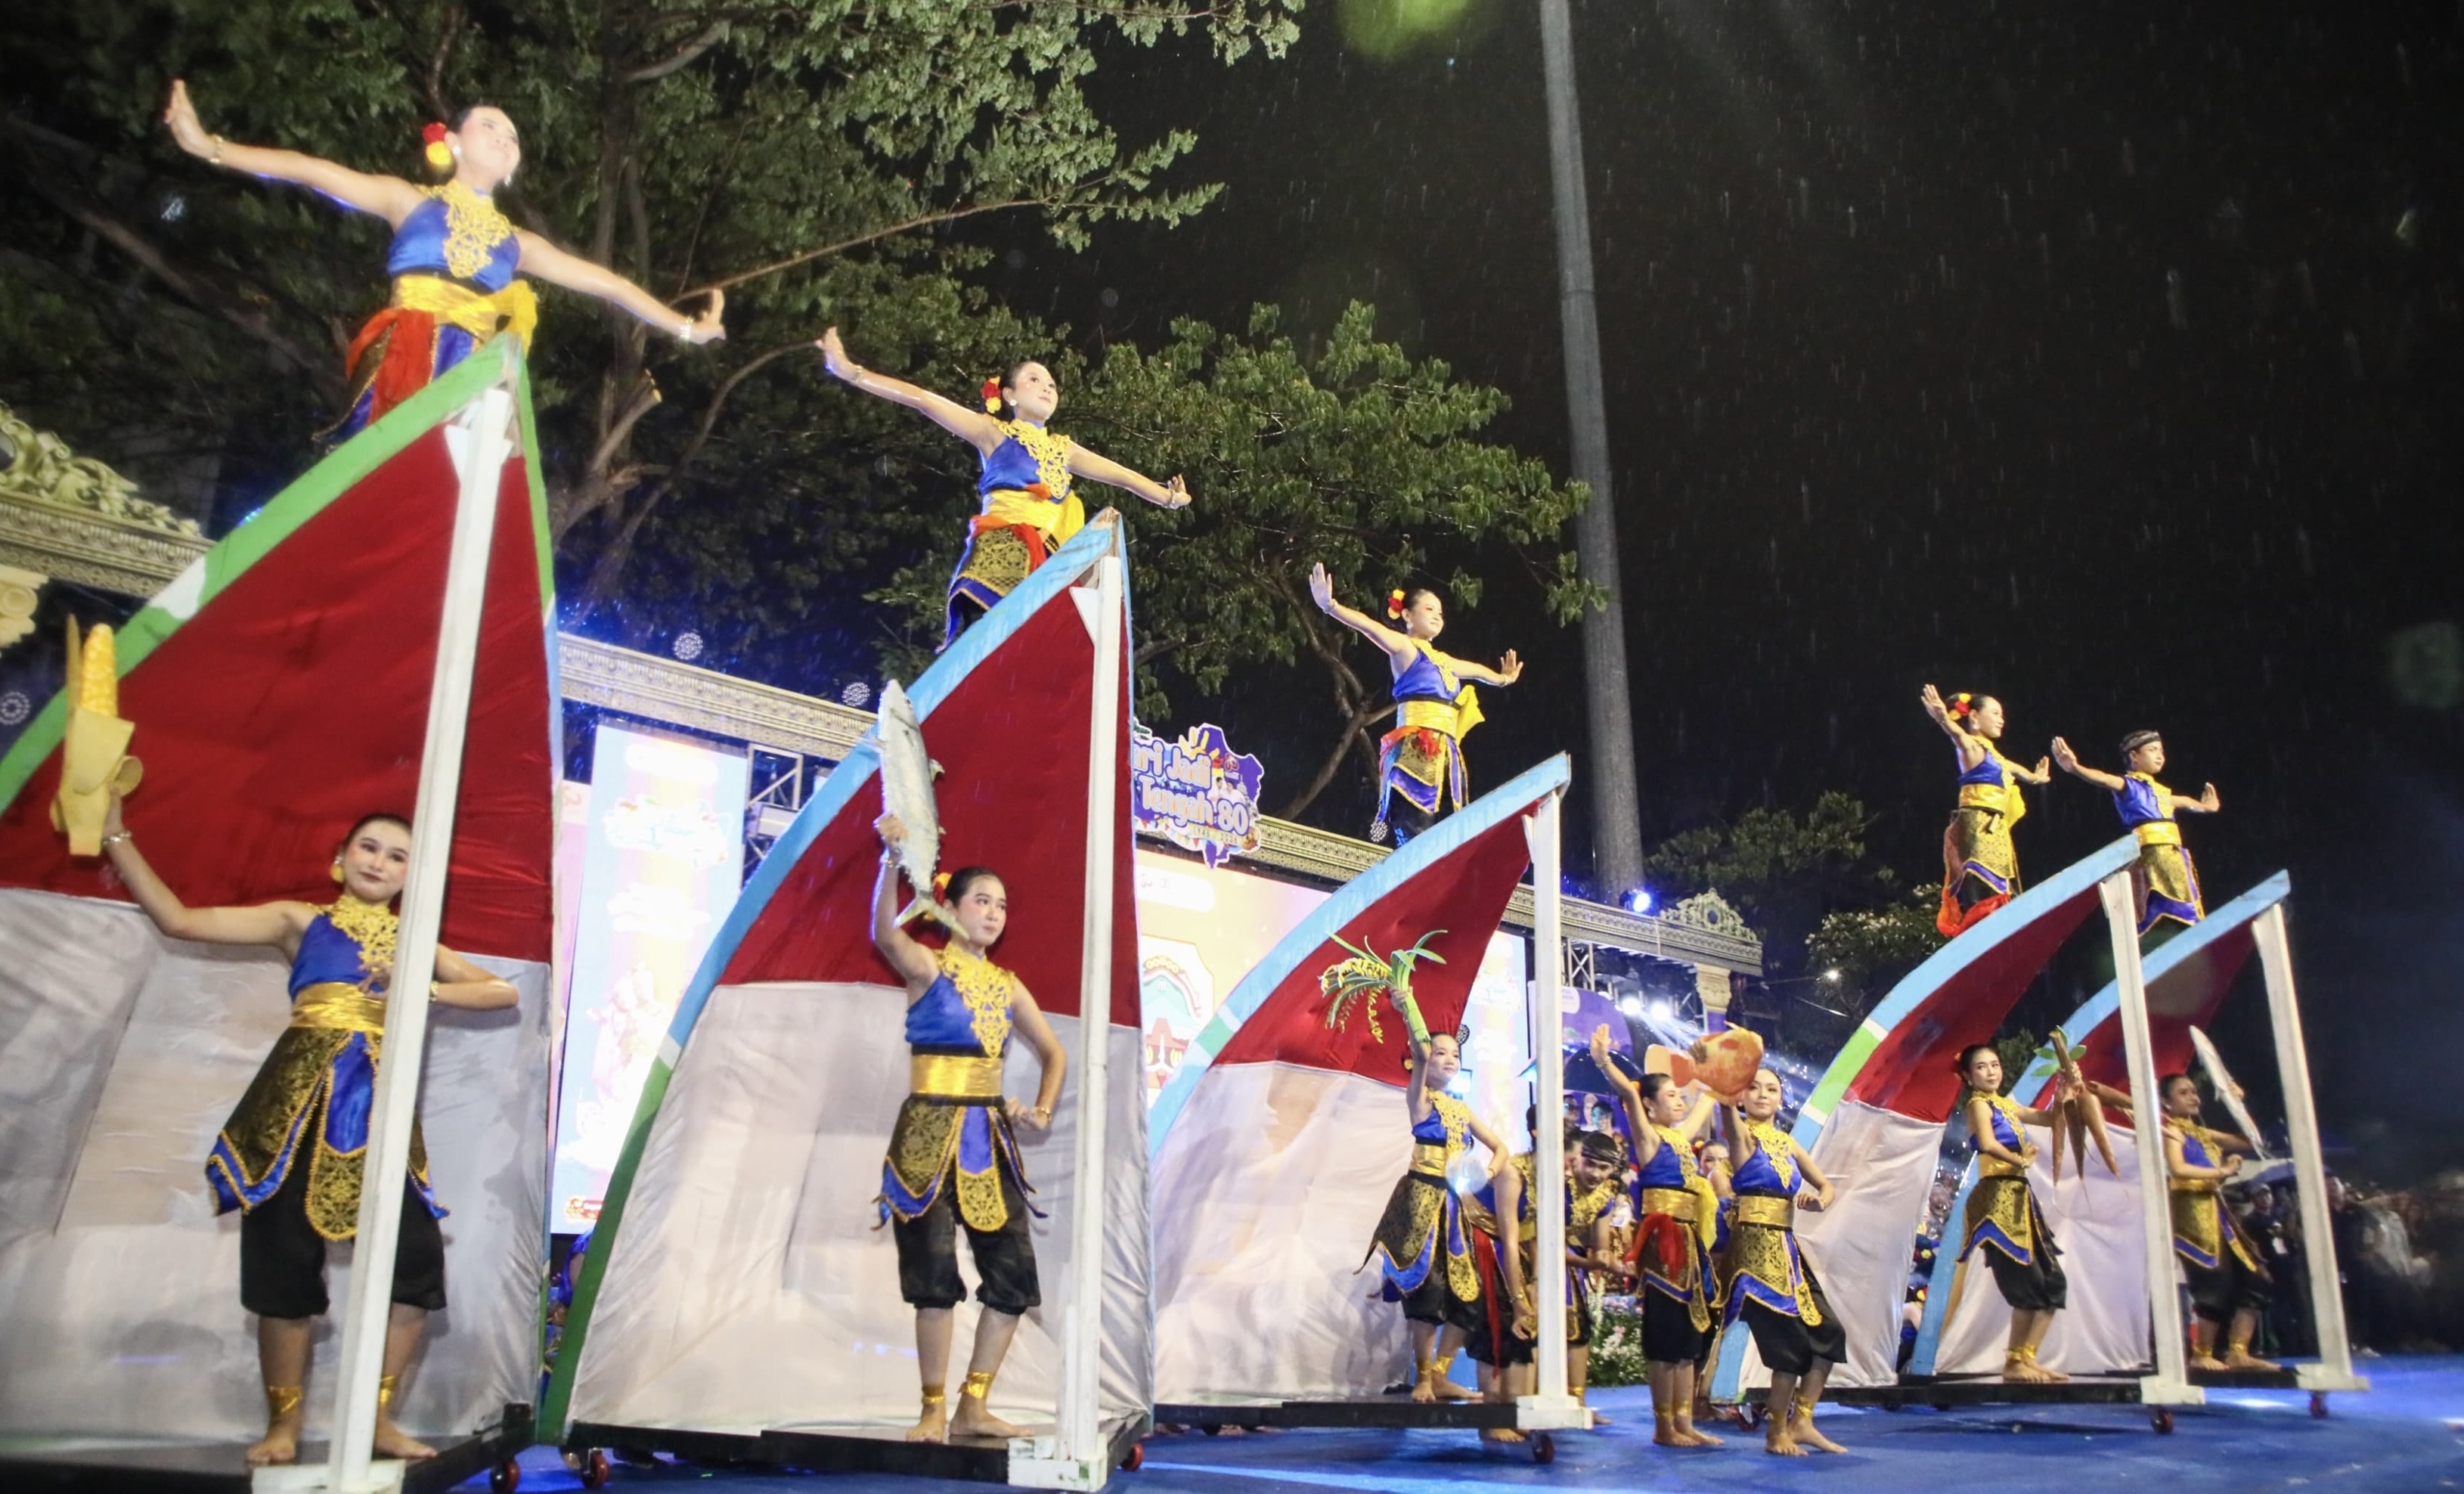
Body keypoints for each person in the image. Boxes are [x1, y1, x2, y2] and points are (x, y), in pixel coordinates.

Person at [91, 793, 518, 1466]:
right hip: (294, 1111)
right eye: (370, 847)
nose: (380, 861)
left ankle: (375, 1421)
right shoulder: (300, 920)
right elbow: (176, 919)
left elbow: (502, 991)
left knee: (416, 1271)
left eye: (399, 856)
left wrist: (419, 990)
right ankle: (282, 1427)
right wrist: (115, 834)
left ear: (414, 877)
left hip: (377, 1118)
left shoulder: (417, 945)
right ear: (340, 859)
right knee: (282, 1271)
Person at [162, 83, 725, 440]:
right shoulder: (408, 200)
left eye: (512, 136)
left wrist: (683, 328)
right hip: (408, 351)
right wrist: (209, 145)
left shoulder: (519, 242)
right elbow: (308, 168)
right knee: (384, 474)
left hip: (478, 375)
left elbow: (608, 283)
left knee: (458, 501)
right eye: (490, 126)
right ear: (452, 141)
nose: (505, 139)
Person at [870, 813, 1067, 1443]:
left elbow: (1053, 1053)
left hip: (988, 1141)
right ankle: (931, 1409)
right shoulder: (927, 967)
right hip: (925, 1135)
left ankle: (972, 1406)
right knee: (932, 1277)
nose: (994, 913)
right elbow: (881, 933)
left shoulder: (1008, 987)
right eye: (982, 901)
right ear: (950, 909)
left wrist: (1038, 1109)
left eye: (1002, 905)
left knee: (1012, 1279)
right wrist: (889, 861)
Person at [816, 328, 1192, 645]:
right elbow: (924, 401)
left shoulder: (1065, 449)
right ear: (1008, 395)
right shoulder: (993, 432)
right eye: (1034, 380)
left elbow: (1122, 475)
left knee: (1044, 650)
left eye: (1051, 384)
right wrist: (851, 372)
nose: (1046, 388)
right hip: (1003, 546)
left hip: (1049, 562)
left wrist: (1169, 498)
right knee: (987, 634)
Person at [1307, 566, 1524, 846]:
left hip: (1445, 755)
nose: (1437, 616)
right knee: (1415, 827)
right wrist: (1330, 606)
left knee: (1448, 829)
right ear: (1407, 615)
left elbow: (1479, 671)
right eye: (1430, 609)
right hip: (1416, 752)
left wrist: (1504, 679)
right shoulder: (1405, 648)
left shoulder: (1445, 661)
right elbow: (1368, 627)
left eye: (1440, 613)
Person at [1592, 1031, 1725, 1449]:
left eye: (1677, 1093)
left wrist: (1708, 1071)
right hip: (1663, 1243)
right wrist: (1604, 1062)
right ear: (1650, 1104)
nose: (1679, 1099)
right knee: (1665, 1337)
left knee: (1687, 1340)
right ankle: (1663, 1425)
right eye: (1670, 1095)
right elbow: (1628, 1097)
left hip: (1688, 1243)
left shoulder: (1680, 1140)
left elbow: (1707, 1099)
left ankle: (1684, 1422)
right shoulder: (1648, 1137)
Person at [2092, 1074, 2278, 1371]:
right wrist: (2223, 1172)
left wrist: (2237, 1105)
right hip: (2192, 1217)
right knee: (2214, 1282)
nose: (2193, 1096)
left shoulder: (2201, 1133)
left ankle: (2237, 1351)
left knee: (2255, 1278)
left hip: (2218, 1215)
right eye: (2184, 1092)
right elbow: (2179, 1169)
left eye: (2194, 1092)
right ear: (2166, 1101)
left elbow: (2252, 1142)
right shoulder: (2169, 1130)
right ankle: (2202, 1353)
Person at [1363, 1028, 1508, 1403]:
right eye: (1440, 1053)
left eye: (1455, 1056)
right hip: (1423, 1203)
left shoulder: (1460, 1109)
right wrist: (1409, 1012)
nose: (1448, 1060)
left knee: (1467, 1297)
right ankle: (1424, 1379)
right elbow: (1422, 1058)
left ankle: (1441, 1376)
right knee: (1428, 1294)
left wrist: (1484, 1176)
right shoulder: (1421, 1100)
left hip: (1455, 1209)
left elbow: (1501, 1149)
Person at [1461, 1120, 1622, 1442]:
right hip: (1485, 1245)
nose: (1572, 1170)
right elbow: (1508, 1238)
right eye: (1572, 1162)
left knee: (1524, 1334)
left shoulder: (1556, 1182)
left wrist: (1534, 1282)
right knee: (1497, 1326)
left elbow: (1540, 1237)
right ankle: (1492, 1420)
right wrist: (1519, 1297)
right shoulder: (1513, 1172)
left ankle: (1516, 1413)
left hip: (1522, 1251)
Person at [1718, 1069, 1846, 1455]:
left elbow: (1827, 1185)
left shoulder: (1788, 1144)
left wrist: (1820, 1200)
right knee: (1789, 1344)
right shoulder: (1743, 1137)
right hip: (1755, 1254)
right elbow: (1728, 1116)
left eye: (1771, 1089)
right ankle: (1776, 1432)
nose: (1761, 1094)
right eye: (1752, 1087)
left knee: (1830, 1332)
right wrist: (1725, 1084)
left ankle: (1801, 1421)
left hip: (1787, 1252)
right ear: (1741, 1098)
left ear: (1780, 1099)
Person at [1947, 1044, 2073, 1383]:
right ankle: (2014, 1364)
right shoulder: (1978, 1105)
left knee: (2051, 1281)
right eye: (1982, 1067)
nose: (1991, 1072)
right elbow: (1987, 1144)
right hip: (1996, 1201)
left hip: (2021, 1199)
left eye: (1995, 1065)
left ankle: (2024, 1358)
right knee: (2027, 1282)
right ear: (1969, 1076)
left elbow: (2049, 1119)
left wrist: (2062, 1096)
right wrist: (2021, 1161)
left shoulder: (2006, 1105)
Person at [2052, 731, 2220, 935]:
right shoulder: (2130, 786)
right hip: (2149, 856)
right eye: (2152, 750)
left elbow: (2184, 801)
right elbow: (2103, 779)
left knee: (2186, 909)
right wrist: (2076, 768)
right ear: (2134, 756)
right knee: (2154, 907)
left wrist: (2206, 807)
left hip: (2175, 857)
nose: (2160, 756)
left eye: (2161, 751)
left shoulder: (2163, 793)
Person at [1919, 685, 2051, 937]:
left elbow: (2016, 769)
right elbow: (1957, 736)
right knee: (1984, 881)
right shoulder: (1971, 747)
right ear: (1975, 718)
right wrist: (1943, 718)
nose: (2001, 719)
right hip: (1978, 822)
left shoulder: (1994, 756)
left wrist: (2035, 777)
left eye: (2002, 714)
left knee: (2002, 883)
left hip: (1995, 827)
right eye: (1995, 713)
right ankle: (1984, 930)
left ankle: (2001, 928)